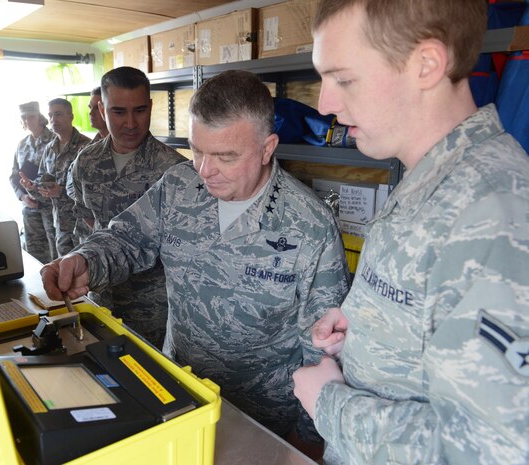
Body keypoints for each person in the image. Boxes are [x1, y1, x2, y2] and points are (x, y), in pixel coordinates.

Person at [42, 69, 350, 456]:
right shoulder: (178, 185)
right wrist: (85, 260)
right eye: (198, 150)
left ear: (268, 147)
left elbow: (324, 347)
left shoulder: (310, 225)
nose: (205, 170)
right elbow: (126, 237)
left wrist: (306, 439)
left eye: (225, 156)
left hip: (264, 420)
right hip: (181, 393)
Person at [292, 2, 529, 465]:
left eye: (344, 78)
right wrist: (368, 335)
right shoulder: (431, 179)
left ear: (426, 65)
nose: (324, 104)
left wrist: (330, 405)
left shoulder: (494, 212)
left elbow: (487, 451)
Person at [68, 67, 186, 348]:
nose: (131, 123)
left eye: (140, 110)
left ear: (151, 107)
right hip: (100, 296)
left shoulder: (174, 169)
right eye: (119, 112)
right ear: (101, 108)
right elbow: (83, 218)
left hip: (154, 308)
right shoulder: (86, 161)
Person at [21, 98, 90, 257]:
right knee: (63, 273)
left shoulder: (87, 147)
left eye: (58, 114)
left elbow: (95, 189)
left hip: (83, 225)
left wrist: (63, 191)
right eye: (50, 115)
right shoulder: (49, 149)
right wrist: (32, 187)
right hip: (59, 225)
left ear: (71, 116)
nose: (53, 120)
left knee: (87, 275)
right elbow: (44, 184)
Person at [9, 101, 56, 264]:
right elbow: (14, 176)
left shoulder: (55, 140)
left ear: (40, 117)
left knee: (57, 252)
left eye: (31, 116)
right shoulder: (22, 144)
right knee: (35, 255)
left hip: (51, 207)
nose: (28, 121)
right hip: (30, 208)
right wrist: (23, 197)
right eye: (24, 117)